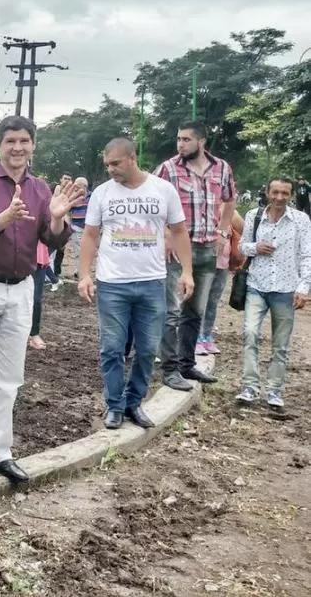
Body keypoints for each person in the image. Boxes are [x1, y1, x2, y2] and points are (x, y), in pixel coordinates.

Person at [0, 116, 82, 493]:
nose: (17, 147)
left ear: (33, 145)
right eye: (10, 140)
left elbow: (51, 239)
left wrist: (57, 220)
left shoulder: (41, 190)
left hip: (21, 288)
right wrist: (3, 219)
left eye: (24, 140)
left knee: (8, 378)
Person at [77, 139, 194, 429]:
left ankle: (134, 402)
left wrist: (187, 271)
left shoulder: (163, 190)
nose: (111, 169)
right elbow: (90, 235)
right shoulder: (102, 194)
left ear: (132, 158)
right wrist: (84, 274)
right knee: (112, 348)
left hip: (152, 282)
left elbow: (179, 231)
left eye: (115, 163)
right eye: (107, 164)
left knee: (146, 349)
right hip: (113, 284)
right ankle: (114, 405)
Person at [154, 120, 237, 391]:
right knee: (172, 311)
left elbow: (230, 199)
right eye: (178, 139)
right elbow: (154, 202)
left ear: (202, 142)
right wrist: (166, 233)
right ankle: (169, 369)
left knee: (195, 312)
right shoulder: (168, 169)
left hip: (207, 249)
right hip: (179, 250)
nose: (180, 144)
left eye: (186, 139)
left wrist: (223, 233)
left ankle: (187, 365)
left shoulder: (221, 168)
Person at [236, 177, 311, 408]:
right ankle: (250, 386)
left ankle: (275, 391)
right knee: (249, 334)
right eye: (275, 192)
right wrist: (255, 248)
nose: (279, 197)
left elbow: (307, 254)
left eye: (285, 193)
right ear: (267, 192)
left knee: (281, 343)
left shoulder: (300, 220)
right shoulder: (253, 216)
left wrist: (303, 287)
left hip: (286, 290)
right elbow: (242, 245)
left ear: (291, 195)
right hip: (257, 285)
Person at [196, 203, 245, 355]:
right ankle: (195, 338)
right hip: (202, 263)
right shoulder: (200, 207)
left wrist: (231, 213)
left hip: (222, 264)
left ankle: (207, 336)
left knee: (213, 302)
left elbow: (244, 230)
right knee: (199, 302)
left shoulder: (229, 211)